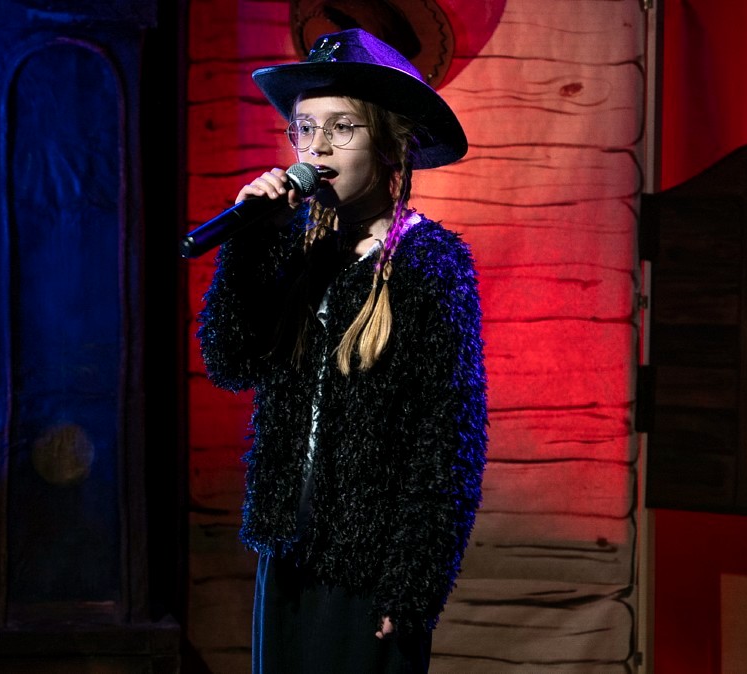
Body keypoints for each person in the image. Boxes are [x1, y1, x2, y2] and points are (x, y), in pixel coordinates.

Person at [197, 28, 487, 674]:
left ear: (389, 145)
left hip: (369, 570)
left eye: (342, 128)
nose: (317, 148)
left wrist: (412, 584)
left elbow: (449, 442)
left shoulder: (431, 265)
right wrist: (251, 243)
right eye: (304, 129)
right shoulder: (298, 250)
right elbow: (229, 360)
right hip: (288, 553)